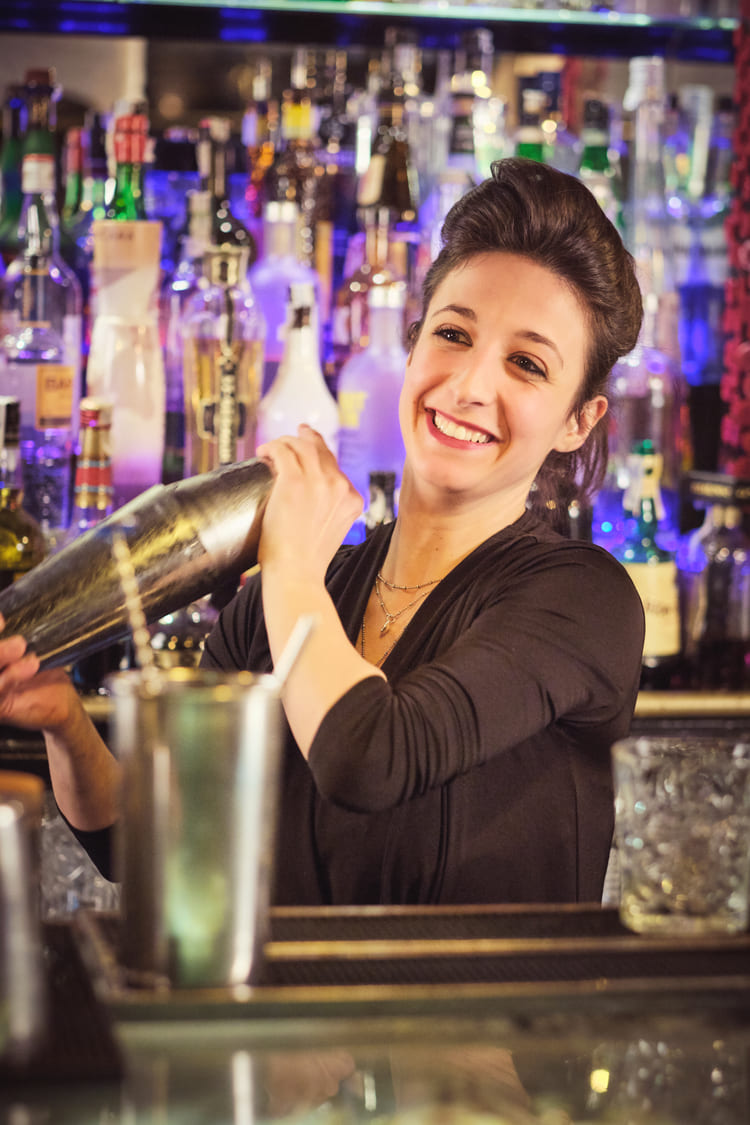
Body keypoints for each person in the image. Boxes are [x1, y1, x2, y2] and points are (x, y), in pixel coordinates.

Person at [0, 157, 645, 906]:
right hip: (283, 1016)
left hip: (488, 1021)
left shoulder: (582, 601)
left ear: (577, 419)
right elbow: (152, 836)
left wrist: (291, 568)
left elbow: (368, 758)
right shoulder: (303, 587)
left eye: (527, 363)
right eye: (453, 333)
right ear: (412, 344)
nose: (470, 385)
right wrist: (64, 721)